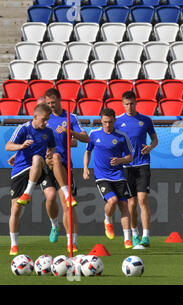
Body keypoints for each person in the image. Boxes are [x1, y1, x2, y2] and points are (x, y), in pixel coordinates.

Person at [42, 88, 90, 252]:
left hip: (64, 165)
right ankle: (54, 225)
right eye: (48, 103)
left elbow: (85, 138)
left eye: (53, 102)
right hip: (47, 164)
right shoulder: (44, 118)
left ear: (60, 100)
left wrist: (69, 132)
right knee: (50, 198)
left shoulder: (71, 117)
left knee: (67, 206)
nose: (51, 106)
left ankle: (72, 241)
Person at [6, 103, 56, 255]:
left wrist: (49, 153)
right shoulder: (23, 128)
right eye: (43, 119)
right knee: (15, 209)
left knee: (52, 195)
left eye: (47, 119)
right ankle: (14, 245)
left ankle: (54, 225)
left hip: (39, 165)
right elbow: (8, 146)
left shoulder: (48, 131)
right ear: (35, 117)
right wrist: (20, 147)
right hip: (20, 170)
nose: (45, 122)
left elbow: (52, 147)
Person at [83, 108, 134, 249]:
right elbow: (87, 151)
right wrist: (86, 168)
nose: (107, 125)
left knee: (124, 206)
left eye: (110, 122)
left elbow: (130, 157)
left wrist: (120, 160)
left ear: (115, 121)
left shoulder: (122, 136)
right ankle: (108, 220)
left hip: (118, 176)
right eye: (105, 122)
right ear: (101, 121)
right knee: (112, 201)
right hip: (102, 176)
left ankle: (127, 239)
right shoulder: (94, 134)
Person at [115, 91, 158, 247]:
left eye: (132, 103)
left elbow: (155, 139)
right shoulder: (118, 121)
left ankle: (146, 235)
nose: (129, 107)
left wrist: (150, 147)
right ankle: (135, 233)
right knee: (131, 204)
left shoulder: (145, 120)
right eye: (126, 104)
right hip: (126, 166)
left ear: (136, 103)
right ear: (122, 104)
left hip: (142, 164)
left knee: (142, 200)